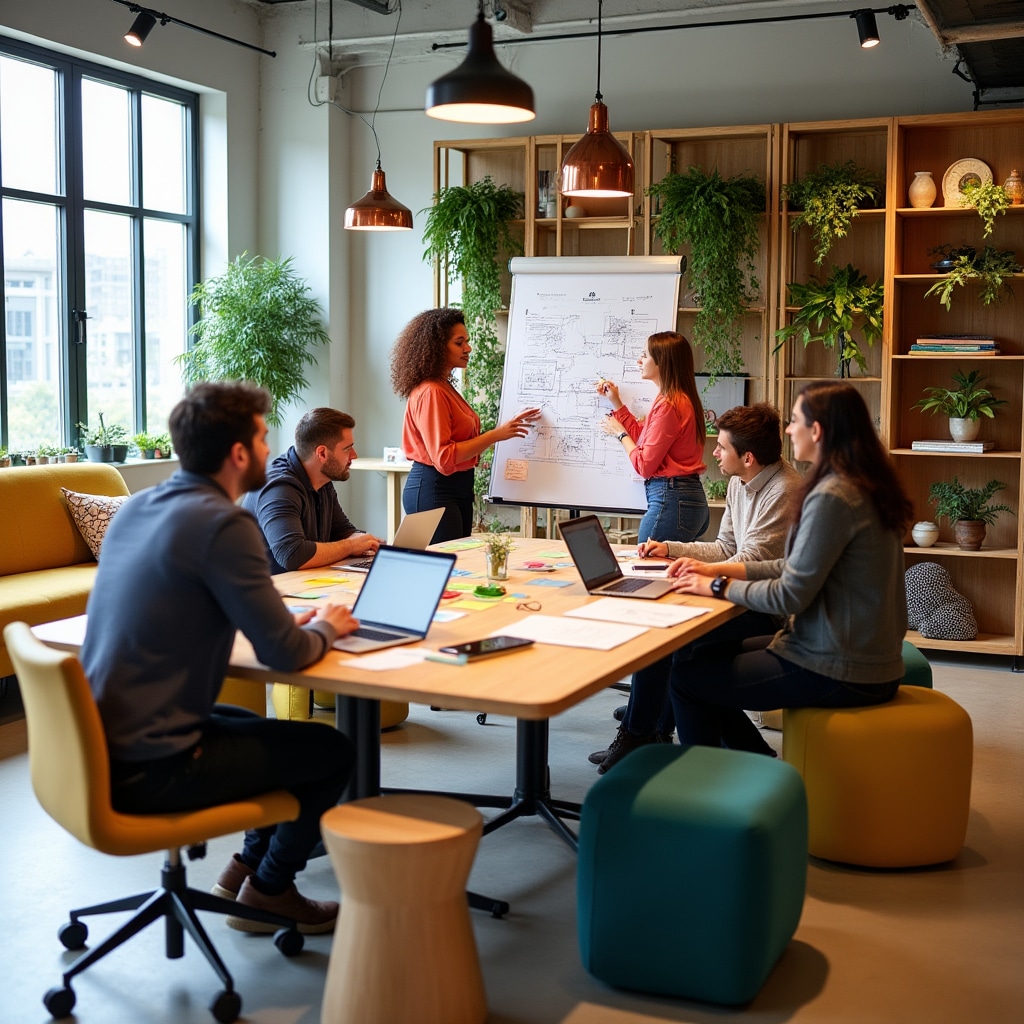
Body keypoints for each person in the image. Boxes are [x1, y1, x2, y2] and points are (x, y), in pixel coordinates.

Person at [81, 381, 361, 934]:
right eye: (261, 438)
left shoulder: (140, 507)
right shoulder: (222, 524)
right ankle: (271, 891)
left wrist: (284, 620)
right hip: (155, 765)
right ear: (237, 454)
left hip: (99, 742)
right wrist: (326, 627)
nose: (269, 448)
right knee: (330, 751)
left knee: (255, 728)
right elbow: (286, 654)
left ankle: (241, 870)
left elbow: (189, 604)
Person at [667, 381, 913, 753]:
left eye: (794, 420)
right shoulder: (861, 485)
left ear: (817, 431)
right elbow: (793, 565)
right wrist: (718, 571)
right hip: (865, 658)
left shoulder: (832, 496)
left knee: (685, 680)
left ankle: (707, 792)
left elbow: (791, 592)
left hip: (840, 667)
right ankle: (758, 765)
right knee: (703, 657)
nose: (787, 430)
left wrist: (716, 588)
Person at [590, 403, 802, 773]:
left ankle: (646, 736)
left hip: (769, 609)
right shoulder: (741, 482)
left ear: (748, 457)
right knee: (676, 644)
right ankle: (730, 746)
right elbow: (725, 548)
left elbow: (751, 561)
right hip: (739, 598)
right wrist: (670, 549)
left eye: (721, 447)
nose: (714, 453)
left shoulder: (784, 490)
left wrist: (699, 570)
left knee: (677, 644)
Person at [390, 307, 540, 544]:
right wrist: (495, 435)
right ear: (437, 347)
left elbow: (457, 446)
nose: (468, 348)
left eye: (466, 341)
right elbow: (444, 457)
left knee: (457, 569)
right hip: (435, 489)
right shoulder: (432, 392)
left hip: (455, 488)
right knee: (444, 569)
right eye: (459, 343)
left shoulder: (443, 387)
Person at [596, 330, 708, 545]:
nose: (639, 361)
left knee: (646, 568)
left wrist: (619, 433)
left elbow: (644, 464)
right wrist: (616, 402)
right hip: (686, 499)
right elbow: (644, 439)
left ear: (661, 362)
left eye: (645, 355)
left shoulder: (669, 404)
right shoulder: (677, 399)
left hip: (672, 501)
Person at [241, 407, 383, 573]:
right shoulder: (279, 487)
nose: (354, 455)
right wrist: (351, 546)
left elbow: (342, 531)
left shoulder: (322, 479)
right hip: (263, 590)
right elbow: (292, 555)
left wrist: (369, 543)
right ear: (322, 453)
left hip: (299, 585)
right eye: (347, 448)